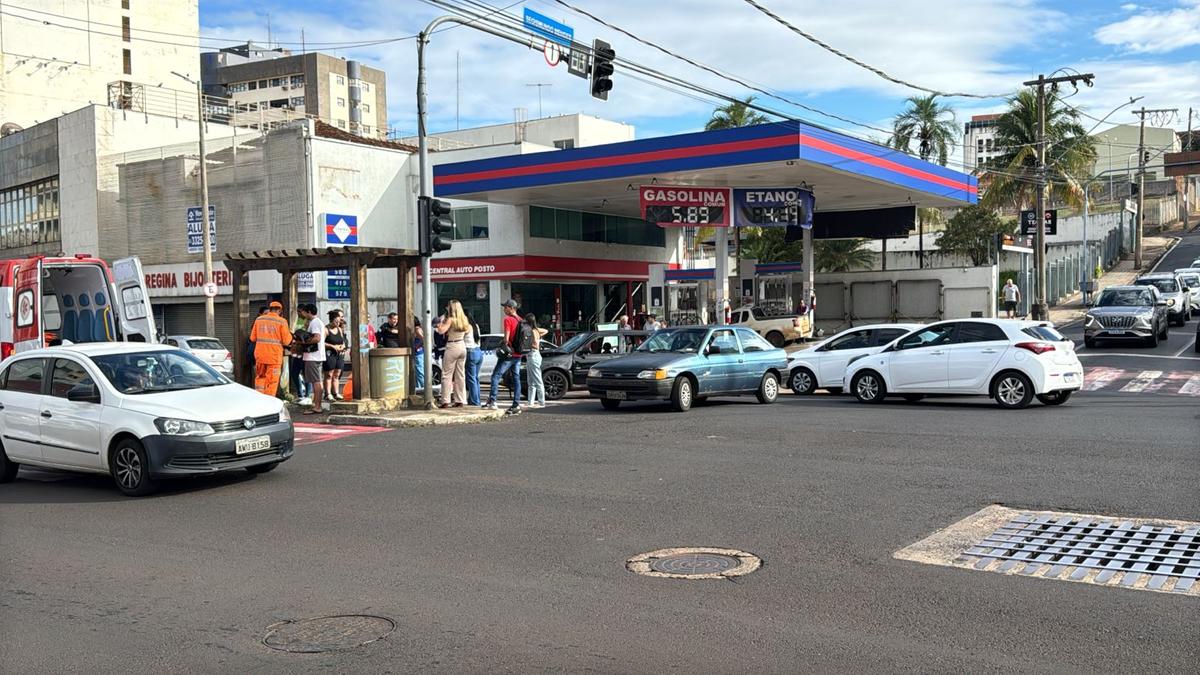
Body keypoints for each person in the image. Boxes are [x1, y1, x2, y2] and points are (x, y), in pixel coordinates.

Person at [486, 299, 523, 414]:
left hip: (509, 354)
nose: (504, 309)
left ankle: (493, 401)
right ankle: (516, 404)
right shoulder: (521, 320)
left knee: (496, 375)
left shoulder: (508, 319)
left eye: (506, 307)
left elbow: (506, 338)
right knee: (516, 378)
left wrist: (503, 344)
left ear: (512, 308)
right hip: (518, 354)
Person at [249, 301, 292, 398]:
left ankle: (259, 398)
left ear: (270, 309)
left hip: (260, 356)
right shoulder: (282, 321)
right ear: (280, 310)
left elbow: (252, 338)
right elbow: (286, 341)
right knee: (272, 381)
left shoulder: (259, 320)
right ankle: (269, 401)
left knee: (260, 378)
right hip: (274, 357)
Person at [436, 300, 470, 408]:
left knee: (446, 374)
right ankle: (460, 399)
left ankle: (445, 400)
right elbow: (468, 331)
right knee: (460, 375)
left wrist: (439, 323)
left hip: (452, 345)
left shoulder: (450, 319)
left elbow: (441, 331)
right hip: (462, 345)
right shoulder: (464, 319)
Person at [298, 304, 326, 414]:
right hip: (317, 356)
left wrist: (302, 342)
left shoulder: (315, 322)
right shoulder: (316, 322)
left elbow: (317, 338)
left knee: (316, 381)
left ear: (308, 312)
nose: (303, 314)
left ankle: (317, 406)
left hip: (313, 356)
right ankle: (317, 404)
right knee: (318, 381)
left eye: (303, 312)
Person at [525, 313, 549, 408]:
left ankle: (541, 401)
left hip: (533, 355)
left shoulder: (531, 331)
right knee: (531, 381)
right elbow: (545, 331)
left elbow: (532, 343)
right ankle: (530, 401)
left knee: (537, 380)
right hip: (533, 356)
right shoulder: (536, 330)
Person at [323, 311, 348, 401]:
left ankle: (336, 392)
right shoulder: (326, 329)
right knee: (329, 374)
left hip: (339, 354)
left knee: (337, 374)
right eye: (336, 322)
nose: (337, 324)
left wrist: (343, 346)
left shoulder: (340, 329)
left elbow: (343, 340)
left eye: (339, 322)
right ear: (331, 320)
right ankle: (327, 393)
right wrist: (332, 346)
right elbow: (321, 342)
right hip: (330, 354)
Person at [289, 312, 310, 403]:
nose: (298, 313)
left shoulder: (311, 324)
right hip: (297, 353)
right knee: (294, 373)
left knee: (306, 375)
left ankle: (307, 396)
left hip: (306, 353)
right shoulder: (294, 320)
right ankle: (300, 394)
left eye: (300, 311)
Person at [464, 311, 483, 406]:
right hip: (478, 351)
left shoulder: (466, 326)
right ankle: (474, 399)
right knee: (475, 378)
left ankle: (475, 401)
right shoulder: (476, 326)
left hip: (470, 352)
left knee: (471, 378)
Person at [413, 316, 426, 390]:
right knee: (417, 373)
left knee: (420, 372)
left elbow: (424, 339)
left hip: (418, 353)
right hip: (419, 353)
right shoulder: (418, 328)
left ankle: (424, 388)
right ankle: (418, 389)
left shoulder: (417, 329)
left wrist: (417, 347)